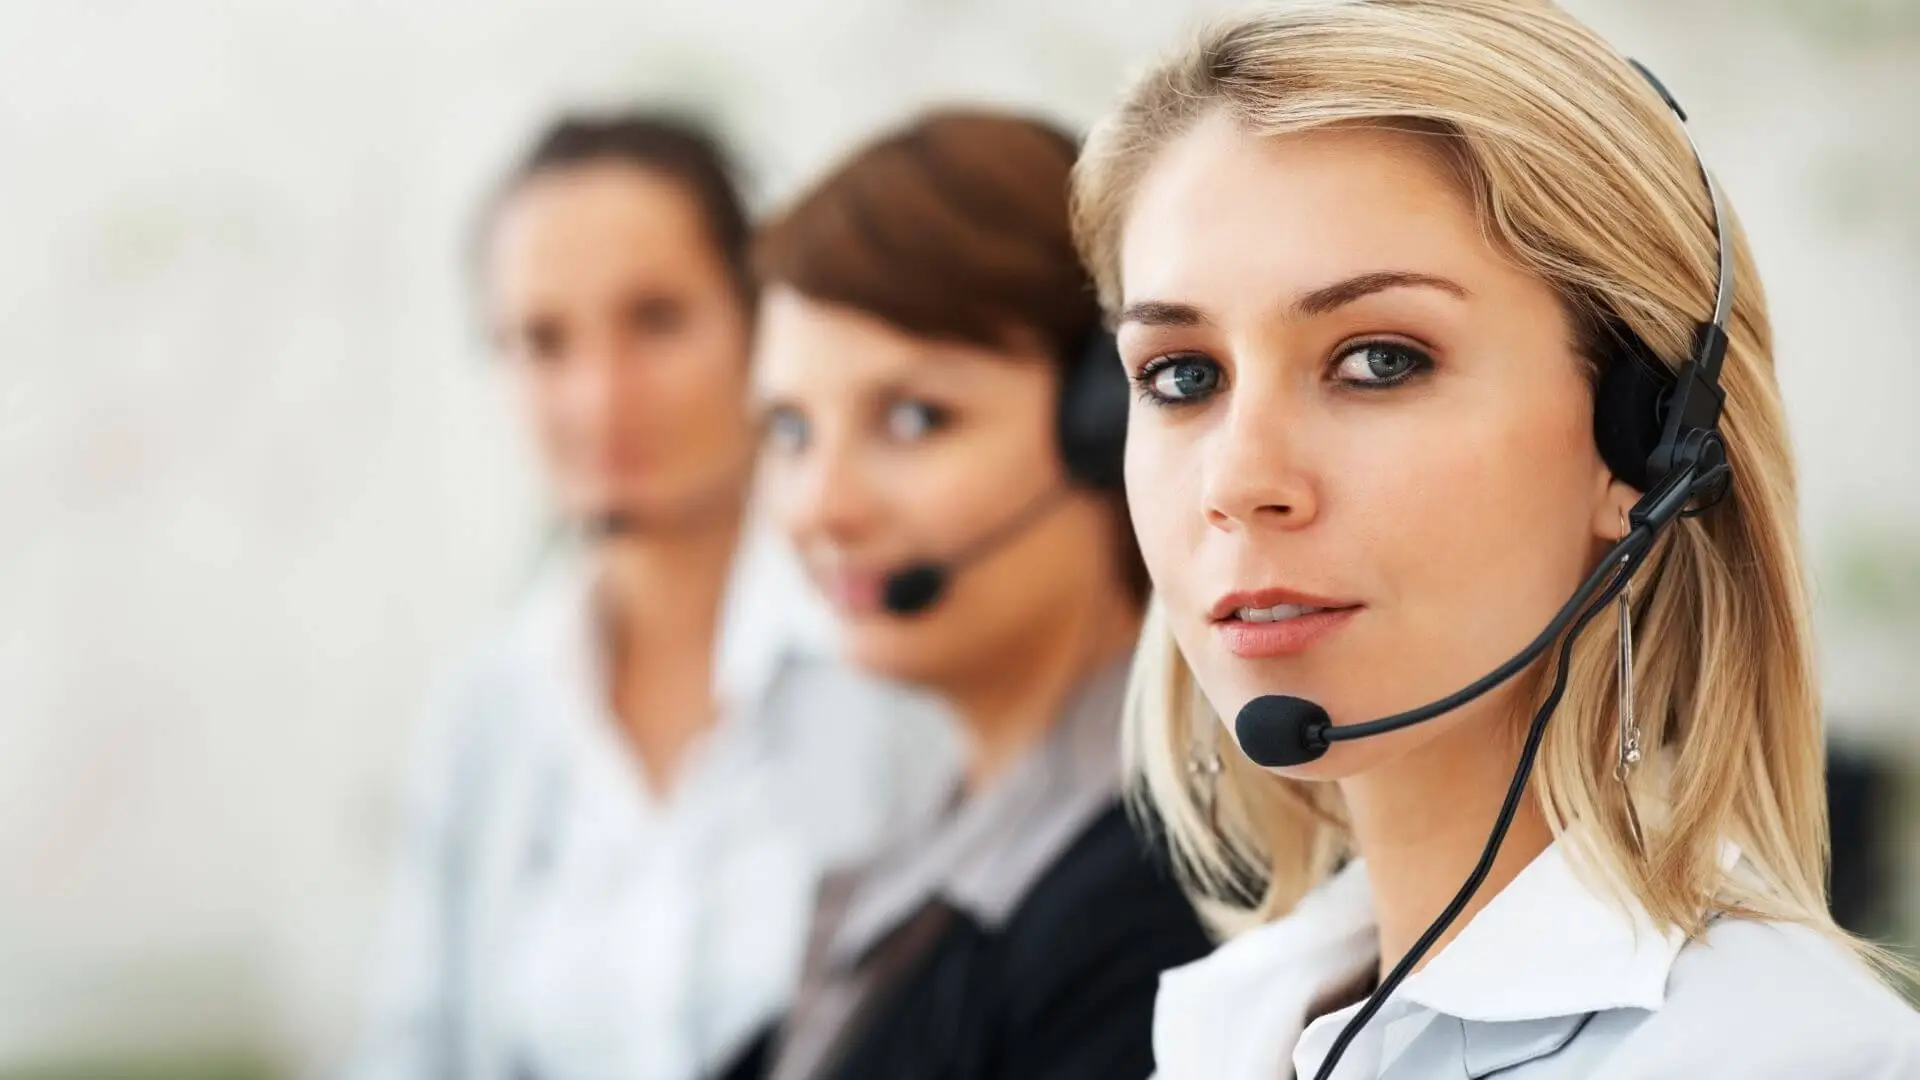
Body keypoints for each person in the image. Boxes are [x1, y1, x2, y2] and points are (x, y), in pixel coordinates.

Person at [1069, 1, 1920, 1077]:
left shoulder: (1792, 1058)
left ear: (1649, 437)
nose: (1238, 484)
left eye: (1380, 361)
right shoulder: (1243, 1017)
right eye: (1182, 375)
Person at [347, 113, 954, 1080]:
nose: (601, 397)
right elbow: (413, 1051)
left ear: (760, 324)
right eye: (543, 341)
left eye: (657, 320)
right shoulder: (486, 710)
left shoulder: (896, 653)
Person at [732, 110, 1212, 1080]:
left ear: (1107, 417)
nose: (820, 506)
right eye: (790, 429)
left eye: (913, 419)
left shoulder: (1155, 916)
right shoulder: (951, 832)